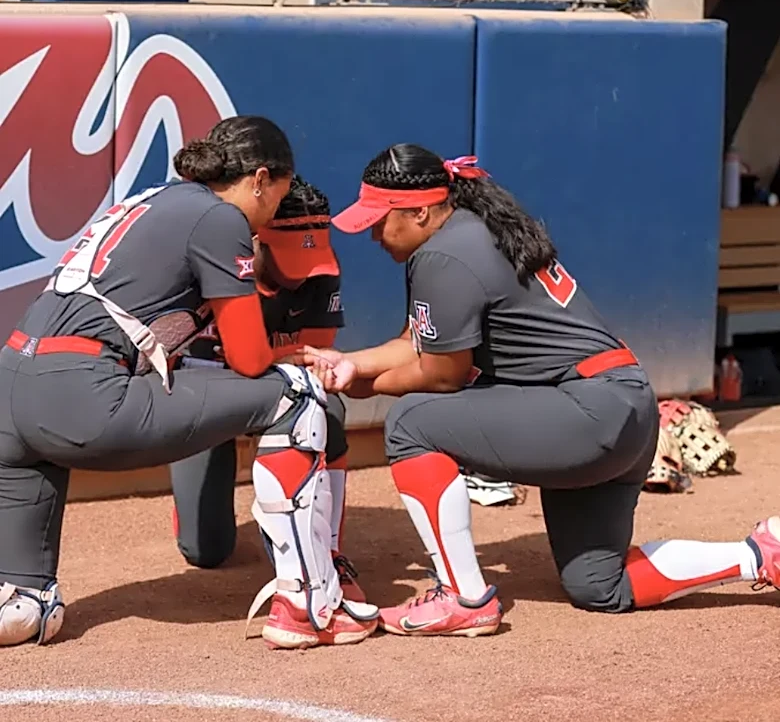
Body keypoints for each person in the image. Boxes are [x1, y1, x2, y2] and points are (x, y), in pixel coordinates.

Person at [302, 142, 780, 637]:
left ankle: (463, 598)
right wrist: (352, 364)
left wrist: (362, 384)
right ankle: (758, 554)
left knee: (410, 422)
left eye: (381, 219)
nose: (374, 233)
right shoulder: (468, 230)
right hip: (621, 407)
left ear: (421, 211)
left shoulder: (443, 253)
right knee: (599, 586)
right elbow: (419, 343)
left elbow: (441, 374)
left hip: (585, 412)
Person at [0, 116, 377, 650]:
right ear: (261, 178)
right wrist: (297, 354)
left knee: (24, 609)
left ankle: (25, 597)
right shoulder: (219, 217)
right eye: (281, 191)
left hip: (11, 392)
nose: (275, 206)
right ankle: (309, 605)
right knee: (295, 395)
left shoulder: (151, 199)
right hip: (80, 392)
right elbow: (250, 361)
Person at [169, 174, 365, 603]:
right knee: (206, 551)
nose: (302, 276)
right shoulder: (212, 270)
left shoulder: (319, 274)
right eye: (288, 259)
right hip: (209, 392)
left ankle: (326, 552)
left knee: (326, 411)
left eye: (311, 260)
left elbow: (314, 362)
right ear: (255, 242)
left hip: (276, 389)